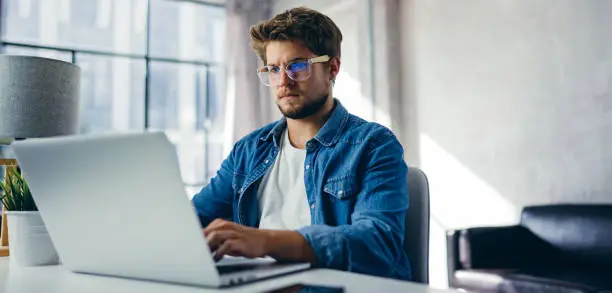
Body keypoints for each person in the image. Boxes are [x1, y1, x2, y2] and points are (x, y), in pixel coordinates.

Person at [191, 6, 411, 281]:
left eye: (298, 66)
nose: (283, 81)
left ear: (332, 68)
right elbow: (193, 220)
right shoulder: (248, 151)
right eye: (273, 69)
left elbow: (378, 242)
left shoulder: (373, 145)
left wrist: (266, 241)